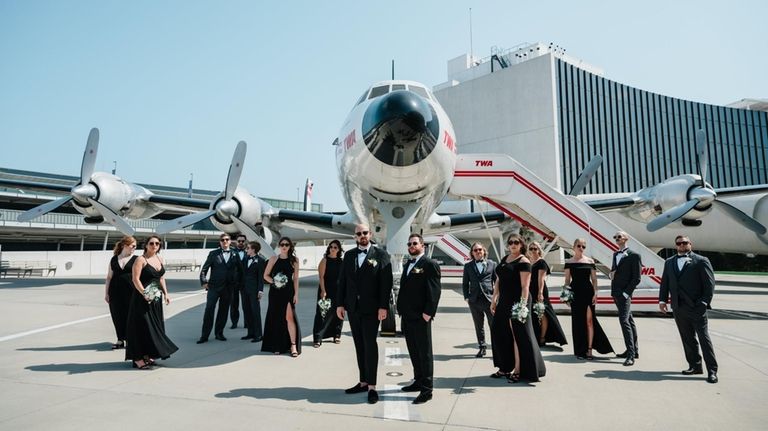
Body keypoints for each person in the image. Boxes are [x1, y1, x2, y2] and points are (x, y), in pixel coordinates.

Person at [336, 224, 393, 404]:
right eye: (359, 234)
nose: (362, 236)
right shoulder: (349, 255)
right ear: (355, 236)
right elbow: (342, 281)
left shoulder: (381, 255)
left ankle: (372, 387)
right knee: (359, 345)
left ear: (370, 234)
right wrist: (339, 304)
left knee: (370, 345)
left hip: (372, 308)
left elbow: (386, 283)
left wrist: (384, 306)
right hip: (353, 308)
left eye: (365, 233)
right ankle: (362, 381)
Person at [659, 235, 718, 384]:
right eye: (679, 243)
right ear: (676, 245)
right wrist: (662, 300)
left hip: (697, 307)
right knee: (687, 339)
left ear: (690, 244)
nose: (682, 245)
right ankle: (695, 366)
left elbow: (709, 284)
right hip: (678, 307)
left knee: (704, 338)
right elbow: (665, 282)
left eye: (685, 242)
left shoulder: (701, 260)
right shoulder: (669, 262)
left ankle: (712, 371)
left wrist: (704, 302)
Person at [491, 234, 546, 383]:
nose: (513, 245)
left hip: (517, 301)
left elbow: (525, 286)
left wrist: (522, 306)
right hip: (504, 301)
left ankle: (518, 369)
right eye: (510, 242)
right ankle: (504, 367)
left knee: (517, 335)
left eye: (516, 242)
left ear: (521, 244)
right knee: (499, 331)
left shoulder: (524, 261)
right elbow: (498, 280)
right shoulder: (505, 259)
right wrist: (494, 298)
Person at [397, 233, 441, 404]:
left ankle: (427, 390)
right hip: (407, 316)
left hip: (421, 317)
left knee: (425, 353)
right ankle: (418, 381)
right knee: (413, 351)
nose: (411, 246)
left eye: (415, 243)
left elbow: (435, 291)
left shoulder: (429, 264)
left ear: (422, 245)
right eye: (409, 244)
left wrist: (428, 313)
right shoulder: (408, 263)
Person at [125, 235, 178, 369]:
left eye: (157, 244)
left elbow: (161, 278)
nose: (154, 246)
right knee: (140, 327)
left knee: (154, 327)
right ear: (146, 245)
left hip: (156, 298)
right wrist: (144, 294)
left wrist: (166, 294)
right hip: (141, 299)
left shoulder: (159, 258)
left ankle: (147, 355)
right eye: (151, 243)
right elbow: (135, 279)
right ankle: (137, 358)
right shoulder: (140, 260)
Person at [564, 238, 613, 360]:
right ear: (574, 247)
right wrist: (566, 297)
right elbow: (567, 281)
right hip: (575, 293)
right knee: (578, 322)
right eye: (579, 246)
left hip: (588, 292)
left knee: (590, 321)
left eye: (583, 246)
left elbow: (594, 279)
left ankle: (590, 349)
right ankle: (580, 350)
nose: (581, 248)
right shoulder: (569, 262)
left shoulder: (590, 261)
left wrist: (596, 293)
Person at [197, 233, 243, 343]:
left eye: (227, 239)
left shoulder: (235, 254)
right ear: (220, 242)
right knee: (209, 310)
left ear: (230, 241)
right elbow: (204, 269)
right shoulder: (213, 254)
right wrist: (203, 281)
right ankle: (204, 335)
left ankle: (219, 333)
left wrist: (237, 283)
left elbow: (241, 271)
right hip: (214, 287)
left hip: (228, 288)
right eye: (223, 240)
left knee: (223, 311)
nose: (225, 241)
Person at [262, 237, 301, 357]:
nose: (284, 246)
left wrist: (296, 294)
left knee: (289, 317)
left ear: (290, 246)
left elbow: (295, 279)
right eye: (282, 244)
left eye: (287, 244)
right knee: (276, 318)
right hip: (275, 293)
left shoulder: (294, 260)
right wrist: (275, 281)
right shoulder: (273, 259)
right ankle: (277, 345)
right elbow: (265, 276)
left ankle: (293, 345)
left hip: (288, 292)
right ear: (279, 246)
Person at [527, 241, 568, 348]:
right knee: (533, 314)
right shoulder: (528, 262)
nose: (533, 251)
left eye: (535, 249)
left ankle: (542, 337)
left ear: (539, 250)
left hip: (539, 290)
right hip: (530, 290)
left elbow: (541, 279)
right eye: (531, 248)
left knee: (544, 313)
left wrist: (540, 293)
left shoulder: (542, 263)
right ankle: (535, 336)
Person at [610, 231, 642, 366]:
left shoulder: (635, 256)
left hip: (624, 294)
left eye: (619, 237)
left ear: (626, 239)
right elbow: (614, 272)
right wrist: (611, 275)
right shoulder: (615, 254)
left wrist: (626, 293)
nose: (617, 239)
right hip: (615, 292)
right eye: (615, 237)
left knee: (624, 321)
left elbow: (637, 278)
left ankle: (630, 356)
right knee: (629, 319)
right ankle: (634, 350)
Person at [462, 242, 496, 358]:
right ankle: (482, 347)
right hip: (474, 300)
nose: (478, 252)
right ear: (472, 253)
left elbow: (497, 282)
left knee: (493, 325)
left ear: (484, 251)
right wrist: (467, 297)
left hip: (489, 300)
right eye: (475, 250)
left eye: (480, 250)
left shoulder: (492, 264)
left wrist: (496, 298)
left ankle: (496, 348)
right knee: (478, 325)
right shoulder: (468, 266)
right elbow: (465, 283)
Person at [104, 236, 137, 350]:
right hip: (115, 292)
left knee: (131, 316)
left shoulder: (137, 259)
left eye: (135, 246)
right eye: (132, 246)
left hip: (131, 292)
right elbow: (109, 277)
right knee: (117, 316)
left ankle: (130, 339)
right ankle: (120, 339)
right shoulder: (114, 259)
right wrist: (106, 293)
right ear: (125, 245)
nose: (134, 248)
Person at [312, 240, 344, 347]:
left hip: (338, 290)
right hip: (326, 289)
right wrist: (323, 290)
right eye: (331, 247)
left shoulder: (341, 261)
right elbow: (321, 277)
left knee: (338, 313)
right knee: (322, 314)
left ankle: (337, 335)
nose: (333, 249)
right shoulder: (324, 260)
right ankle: (318, 338)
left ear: (339, 249)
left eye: (335, 247)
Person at [241, 241, 265, 342]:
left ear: (253, 250)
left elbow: (261, 277)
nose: (247, 250)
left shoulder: (260, 260)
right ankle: (250, 333)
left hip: (254, 290)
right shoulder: (245, 259)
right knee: (247, 311)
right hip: (244, 290)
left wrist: (260, 290)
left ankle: (258, 334)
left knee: (255, 312)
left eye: (248, 248)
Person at [230, 233, 248, 329]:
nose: (241, 243)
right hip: (234, 282)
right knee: (233, 304)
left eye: (242, 241)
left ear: (245, 242)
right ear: (236, 242)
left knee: (246, 304)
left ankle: (247, 323)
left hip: (245, 283)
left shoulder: (249, 253)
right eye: (239, 241)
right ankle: (234, 323)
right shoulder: (231, 253)